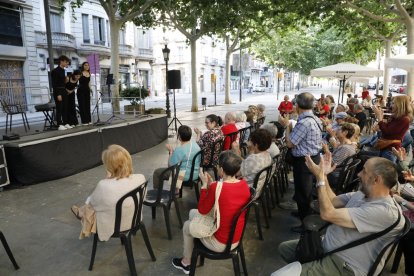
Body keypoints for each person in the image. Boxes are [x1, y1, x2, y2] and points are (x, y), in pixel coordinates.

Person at [277, 154, 405, 276]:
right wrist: (324, 176)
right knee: (284, 249)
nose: (359, 174)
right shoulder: (363, 194)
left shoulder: (385, 212)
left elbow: (328, 214)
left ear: (377, 179)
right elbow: (332, 200)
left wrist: (320, 179)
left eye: (364, 171)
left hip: (345, 265)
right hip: (329, 245)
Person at [172, 151, 250, 274]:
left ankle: (186, 262)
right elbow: (225, 200)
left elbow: (203, 210)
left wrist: (204, 186)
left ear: (222, 170)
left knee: (187, 226)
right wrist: (212, 186)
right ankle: (192, 251)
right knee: (192, 213)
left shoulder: (217, 187)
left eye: (218, 166)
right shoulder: (244, 184)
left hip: (220, 243)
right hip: (235, 237)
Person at [72, 145, 146, 241]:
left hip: (113, 226)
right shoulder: (140, 177)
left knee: (89, 206)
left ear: (109, 166)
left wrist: (106, 179)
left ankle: (81, 213)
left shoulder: (104, 185)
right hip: (134, 219)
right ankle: (81, 212)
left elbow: (92, 204)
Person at [279, 92, 322, 233]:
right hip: (311, 158)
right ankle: (303, 214)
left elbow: (290, 143)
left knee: (304, 193)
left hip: (304, 162)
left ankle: (306, 225)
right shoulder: (315, 118)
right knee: (303, 191)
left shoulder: (304, 122)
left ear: (297, 105)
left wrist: (286, 126)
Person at [152, 125, 201, 189]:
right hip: (195, 174)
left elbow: (170, 166)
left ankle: (157, 194)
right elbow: (185, 155)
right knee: (180, 166)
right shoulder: (195, 144)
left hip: (184, 176)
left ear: (179, 136)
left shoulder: (180, 150)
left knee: (157, 172)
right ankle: (176, 190)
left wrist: (171, 152)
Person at [372, 95, 412, 162]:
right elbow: (388, 129)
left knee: (386, 170)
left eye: (393, 103)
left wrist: (379, 118)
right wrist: (380, 124)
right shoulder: (396, 117)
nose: (391, 105)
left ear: (400, 105)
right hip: (385, 146)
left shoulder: (405, 119)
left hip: (391, 149)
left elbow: (387, 131)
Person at [51, 55, 70, 130]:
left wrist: (66, 80)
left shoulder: (63, 70)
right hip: (58, 91)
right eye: (66, 62)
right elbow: (54, 84)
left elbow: (62, 82)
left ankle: (65, 122)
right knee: (59, 107)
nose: (67, 63)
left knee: (65, 107)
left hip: (63, 90)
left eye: (67, 62)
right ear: (61, 61)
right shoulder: (55, 71)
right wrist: (58, 94)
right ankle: (59, 124)